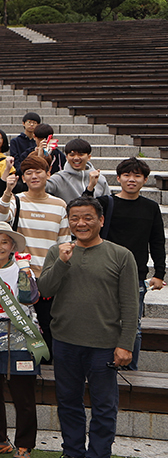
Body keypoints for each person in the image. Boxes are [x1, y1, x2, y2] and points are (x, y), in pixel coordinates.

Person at [40, 197, 139, 458]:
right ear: (68, 221)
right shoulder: (57, 251)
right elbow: (44, 289)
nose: (81, 223)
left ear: (100, 220)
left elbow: (131, 305)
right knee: (68, 400)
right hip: (65, 340)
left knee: (103, 404)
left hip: (104, 344)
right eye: (74, 218)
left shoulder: (121, 255)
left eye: (87, 218)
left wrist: (126, 343)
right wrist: (62, 261)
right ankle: (73, 452)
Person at [0, 221, 44, 458]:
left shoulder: (22, 269)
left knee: (23, 394)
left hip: (20, 335)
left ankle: (25, 444)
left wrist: (25, 270)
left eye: (4, 242)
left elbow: (29, 297)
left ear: (12, 245)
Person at [100, 157, 165, 370]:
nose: (131, 179)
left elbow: (156, 241)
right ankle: (102, 364)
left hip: (135, 274)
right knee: (101, 322)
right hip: (104, 272)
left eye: (137, 175)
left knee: (133, 326)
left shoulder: (151, 207)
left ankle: (130, 368)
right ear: (118, 178)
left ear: (145, 180)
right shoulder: (105, 203)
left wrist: (159, 274)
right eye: (127, 175)